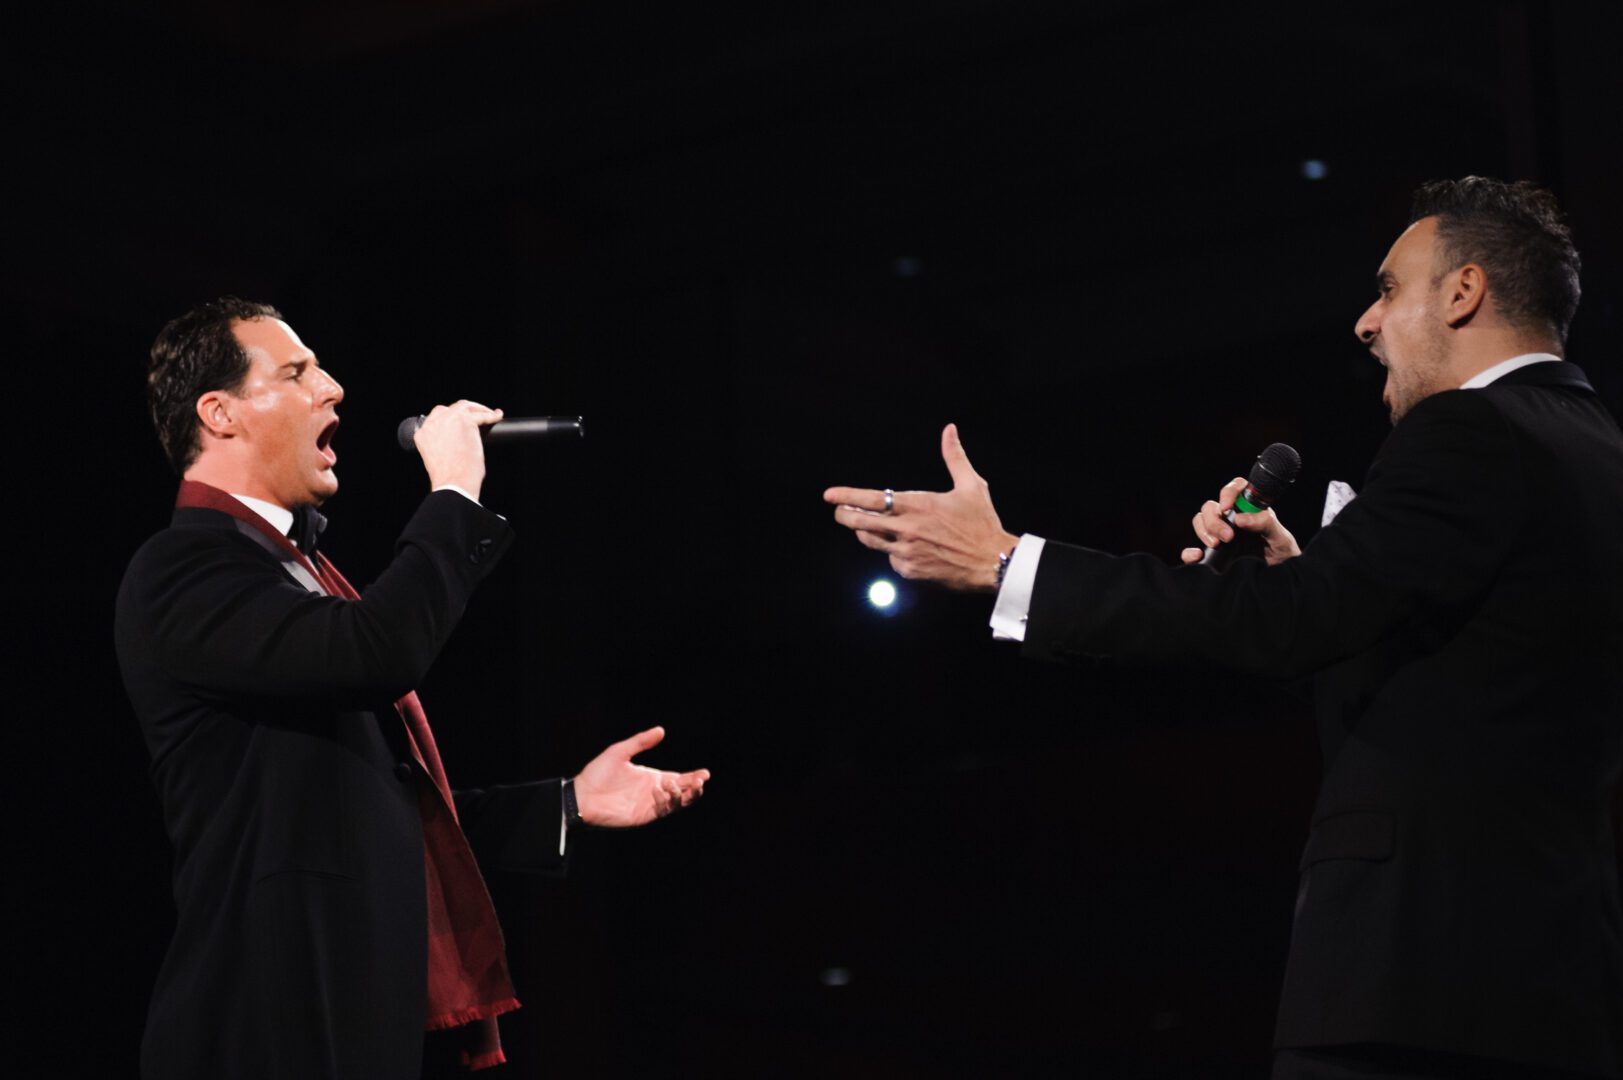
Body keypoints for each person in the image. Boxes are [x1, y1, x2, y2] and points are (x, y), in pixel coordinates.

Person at [824, 178, 1623, 1079]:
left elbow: (1285, 627)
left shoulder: (1468, 430)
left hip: (1419, 987)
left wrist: (1007, 563)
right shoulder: (1591, 443)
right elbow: (1476, 683)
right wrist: (1303, 578)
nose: (1365, 323)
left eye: (1389, 288)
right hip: (1547, 982)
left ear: (1463, 291)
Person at [116, 298, 710, 1080]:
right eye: (295, 373)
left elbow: (374, 812)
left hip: (345, 1022)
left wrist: (566, 803)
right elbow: (380, 651)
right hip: (262, 1028)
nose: (332, 387)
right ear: (219, 414)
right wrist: (454, 494)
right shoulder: (182, 569)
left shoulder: (297, 572)